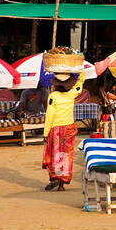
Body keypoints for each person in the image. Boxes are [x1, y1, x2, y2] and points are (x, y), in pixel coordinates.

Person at [39, 47, 86, 192]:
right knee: (66, 155)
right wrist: (79, 65)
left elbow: (50, 116)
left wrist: (45, 133)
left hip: (57, 129)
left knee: (56, 154)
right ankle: (61, 183)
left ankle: (55, 177)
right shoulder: (73, 93)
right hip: (69, 128)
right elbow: (81, 81)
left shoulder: (54, 97)